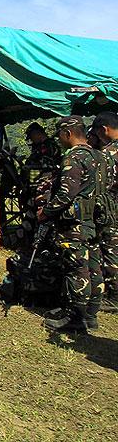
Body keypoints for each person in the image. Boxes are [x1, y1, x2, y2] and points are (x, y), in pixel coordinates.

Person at [39, 116, 104, 334]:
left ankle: (75, 316)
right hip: (94, 219)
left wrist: (46, 212)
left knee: (76, 267)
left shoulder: (74, 158)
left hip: (75, 223)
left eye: (59, 135)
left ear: (67, 134)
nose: (59, 139)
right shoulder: (98, 155)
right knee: (93, 264)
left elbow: (65, 193)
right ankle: (91, 314)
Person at [91, 112, 118, 313]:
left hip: (112, 211)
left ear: (104, 130)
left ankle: (114, 296)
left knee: (111, 249)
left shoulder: (109, 154)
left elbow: (102, 185)